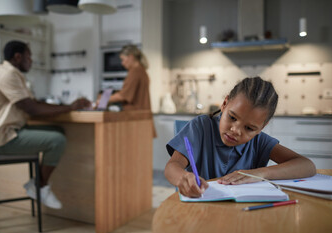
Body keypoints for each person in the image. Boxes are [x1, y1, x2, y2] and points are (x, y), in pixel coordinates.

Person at [0, 40, 91, 209]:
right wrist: (70, 107)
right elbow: (31, 108)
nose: (31, 60)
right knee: (57, 140)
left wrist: (68, 107)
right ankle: (40, 186)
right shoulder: (8, 75)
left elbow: (32, 103)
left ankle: (37, 184)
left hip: (7, 132)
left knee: (58, 130)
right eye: (29, 56)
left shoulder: (11, 73)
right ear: (18, 56)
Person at [164, 77, 316, 198]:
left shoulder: (259, 142)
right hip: (198, 211)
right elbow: (172, 166)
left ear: (261, 127)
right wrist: (183, 178)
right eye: (232, 117)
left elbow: (306, 165)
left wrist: (260, 173)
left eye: (249, 128)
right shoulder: (200, 127)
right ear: (224, 104)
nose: (235, 130)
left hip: (242, 214)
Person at [96, 44, 156, 137]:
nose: (122, 63)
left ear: (131, 57)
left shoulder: (135, 72)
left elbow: (123, 96)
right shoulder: (141, 70)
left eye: (123, 59)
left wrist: (102, 100)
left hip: (136, 119)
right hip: (142, 118)